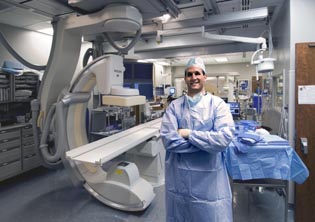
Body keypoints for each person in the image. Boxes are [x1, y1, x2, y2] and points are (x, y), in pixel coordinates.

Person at [160, 57, 235, 222]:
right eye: (189, 74)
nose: (193, 77)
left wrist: (188, 134)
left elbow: (223, 139)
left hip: (210, 181)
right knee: (182, 214)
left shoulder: (218, 105)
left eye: (197, 73)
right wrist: (207, 144)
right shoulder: (175, 107)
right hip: (180, 180)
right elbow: (168, 140)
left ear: (204, 76)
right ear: (185, 78)